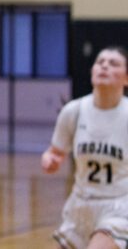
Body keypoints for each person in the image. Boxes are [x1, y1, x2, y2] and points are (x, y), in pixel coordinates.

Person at [41, 46, 128, 249]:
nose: (104, 66)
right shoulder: (73, 111)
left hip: (119, 204)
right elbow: (55, 152)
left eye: (113, 63)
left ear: (126, 78)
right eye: (100, 62)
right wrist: (49, 160)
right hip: (80, 205)